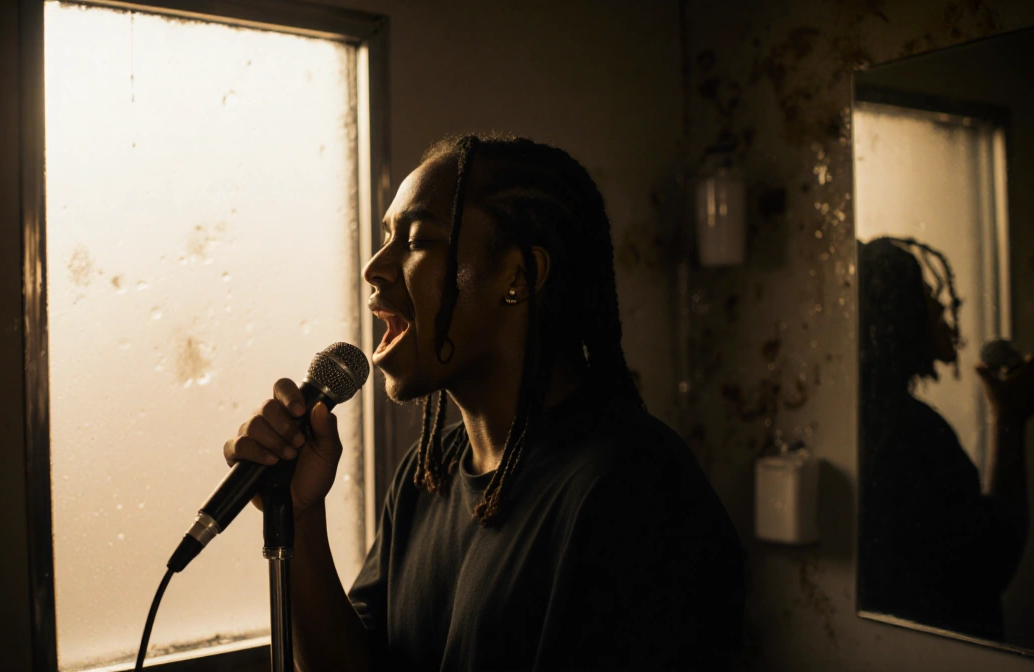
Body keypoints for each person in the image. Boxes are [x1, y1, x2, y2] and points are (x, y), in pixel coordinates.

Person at [224, 134, 744, 671]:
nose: (375, 269)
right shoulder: (426, 477)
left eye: (417, 240)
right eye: (386, 238)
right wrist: (302, 519)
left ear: (517, 277)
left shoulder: (632, 487)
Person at [857, 237, 1034, 641]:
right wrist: (1010, 418)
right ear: (900, 313)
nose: (943, 306)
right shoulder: (911, 434)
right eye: (927, 295)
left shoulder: (865, 421)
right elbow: (989, 562)